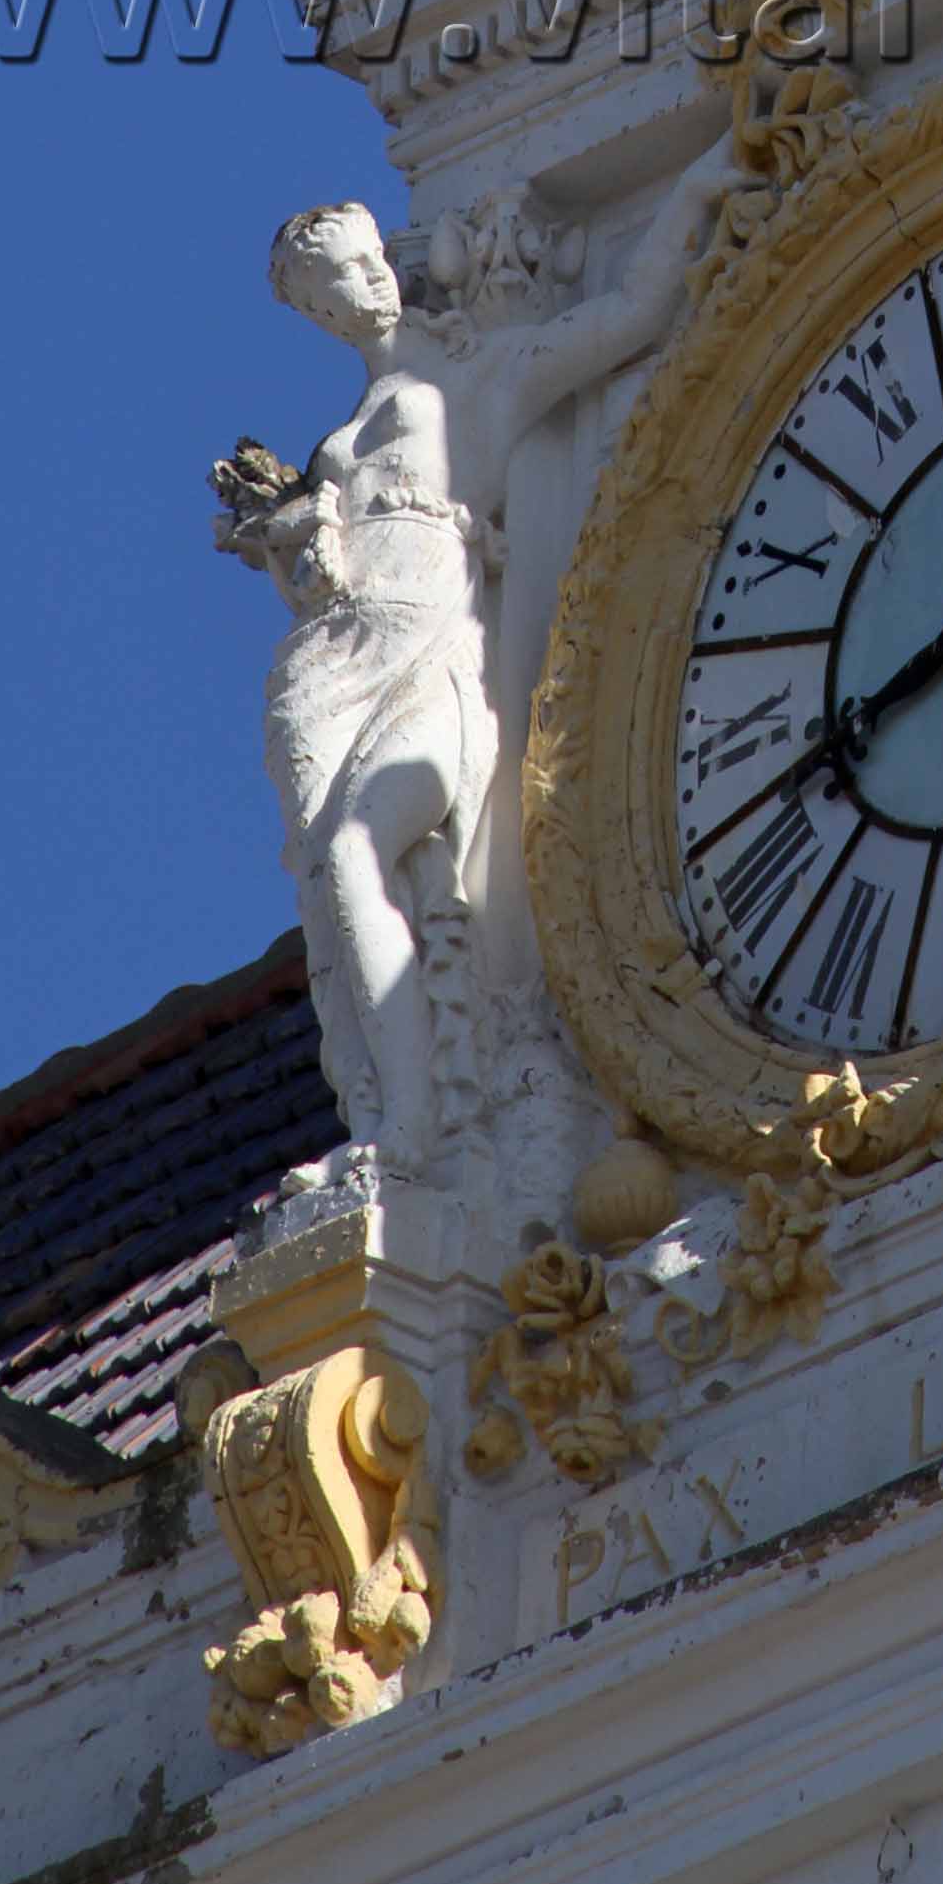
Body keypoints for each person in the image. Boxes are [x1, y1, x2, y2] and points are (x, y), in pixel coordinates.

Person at [213, 135, 740, 1176]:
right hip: (329, 663)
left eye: (367, 263)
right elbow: (323, 574)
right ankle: (389, 1112)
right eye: (334, 287)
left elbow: (630, 312)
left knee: (362, 847)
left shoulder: (480, 378)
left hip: (432, 645)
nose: (363, 288)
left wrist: (701, 180)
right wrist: (291, 543)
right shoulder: (336, 444)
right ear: (317, 314)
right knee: (332, 882)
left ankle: (414, 1129)